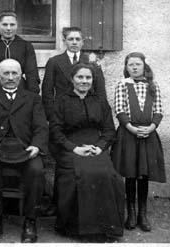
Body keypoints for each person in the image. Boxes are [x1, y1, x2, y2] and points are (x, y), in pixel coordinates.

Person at [0, 59, 48, 243]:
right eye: (5, 74)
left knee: (36, 170)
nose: (10, 77)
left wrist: (36, 146)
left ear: (21, 76)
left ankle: (30, 220)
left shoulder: (32, 99)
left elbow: (41, 128)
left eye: (14, 73)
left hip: (25, 148)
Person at [50, 63, 124, 238]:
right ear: (72, 79)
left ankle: (105, 227)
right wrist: (74, 148)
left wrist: (99, 148)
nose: (84, 81)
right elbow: (55, 131)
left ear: (93, 80)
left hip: (95, 146)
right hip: (70, 147)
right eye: (80, 77)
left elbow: (108, 130)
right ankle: (76, 228)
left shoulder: (99, 101)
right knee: (78, 174)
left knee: (107, 174)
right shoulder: (61, 101)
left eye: (88, 78)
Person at [111, 52, 166, 232]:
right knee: (131, 173)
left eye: (138, 64)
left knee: (143, 174)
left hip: (148, 133)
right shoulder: (122, 85)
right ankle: (131, 213)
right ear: (126, 68)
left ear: (144, 66)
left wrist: (151, 127)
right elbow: (119, 110)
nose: (134, 67)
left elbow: (158, 110)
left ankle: (143, 213)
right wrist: (132, 128)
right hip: (129, 133)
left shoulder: (153, 85)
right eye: (130, 65)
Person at [42, 26, 106, 120]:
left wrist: (99, 113)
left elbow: (100, 91)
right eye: (71, 39)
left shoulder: (92, 62)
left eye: (78, 39)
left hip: (87, 111)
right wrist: (52, 115)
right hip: (62, 111)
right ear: (64, 41)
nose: (74, 42)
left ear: (82, 42)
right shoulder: (54, 62)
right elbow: (47, 91)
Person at [0, 11, 40, 96]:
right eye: (5, 25)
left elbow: (32, 75)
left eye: (12, 25)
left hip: (21, 91)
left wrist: (32, 98)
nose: (9, 28)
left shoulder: (26, 46)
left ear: (17, 25)